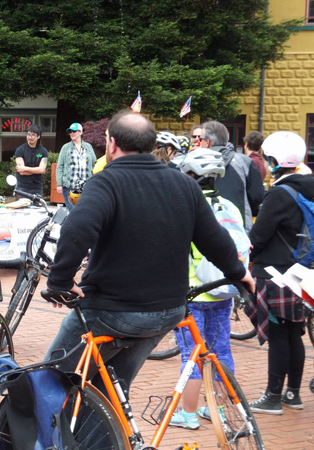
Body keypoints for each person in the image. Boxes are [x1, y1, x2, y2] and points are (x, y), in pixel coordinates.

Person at [43, 110, 254, 398]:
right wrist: (239, 273)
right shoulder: (184, 184)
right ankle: (108, 424)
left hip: (112, 310)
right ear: (152, 144)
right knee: (111, 389)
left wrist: (60, 281)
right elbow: (215, 240)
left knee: (50, 380)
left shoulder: (106, 182)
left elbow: (76, 229)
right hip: (168, 310)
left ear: (112, 144)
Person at [169, 148, 244, 430]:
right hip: (222, 291)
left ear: (190, 175)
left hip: (192, 294)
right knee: (221, 352)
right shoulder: (229, 206)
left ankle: (188, 414)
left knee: (192, 355)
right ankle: (219, 411)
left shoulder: (185, 208)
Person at [246, 131, 314, 414]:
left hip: (275, 273)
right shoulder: (309, 185)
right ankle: (292, 394)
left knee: (277, 336)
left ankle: (272, 397)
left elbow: (258, 237)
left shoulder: (279, 194)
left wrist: (245, 258)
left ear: (274, 161)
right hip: (302, 273)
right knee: (294, 334)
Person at [199, 121, 265, 232]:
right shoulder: (244, 162)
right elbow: (257, 197)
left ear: (207, 142)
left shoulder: (195, 164)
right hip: (240, 230)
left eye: (200, 139)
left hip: (206, 230)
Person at [56, 123, 96, 210]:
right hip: (69, 186)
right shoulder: (65, 147)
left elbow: (94, 164)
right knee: (72, 210)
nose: (72, 133)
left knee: (85, 210)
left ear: (80, 132)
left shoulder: (88, 147)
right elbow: (60, 166)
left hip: (86, 186)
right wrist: (59, 184)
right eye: (70, 132)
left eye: (74, 131)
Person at [14, 124, 48, 199]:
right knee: (22, 206)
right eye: (28, 134)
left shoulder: (43, 151)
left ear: (38, 136)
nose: (30, 137)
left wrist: (25, 168)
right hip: (22, 187)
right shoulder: (20, 150)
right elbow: (21, 172)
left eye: (33, 135)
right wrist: (37, 170)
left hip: (37, 188)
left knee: (38, 206)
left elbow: (42, 170)